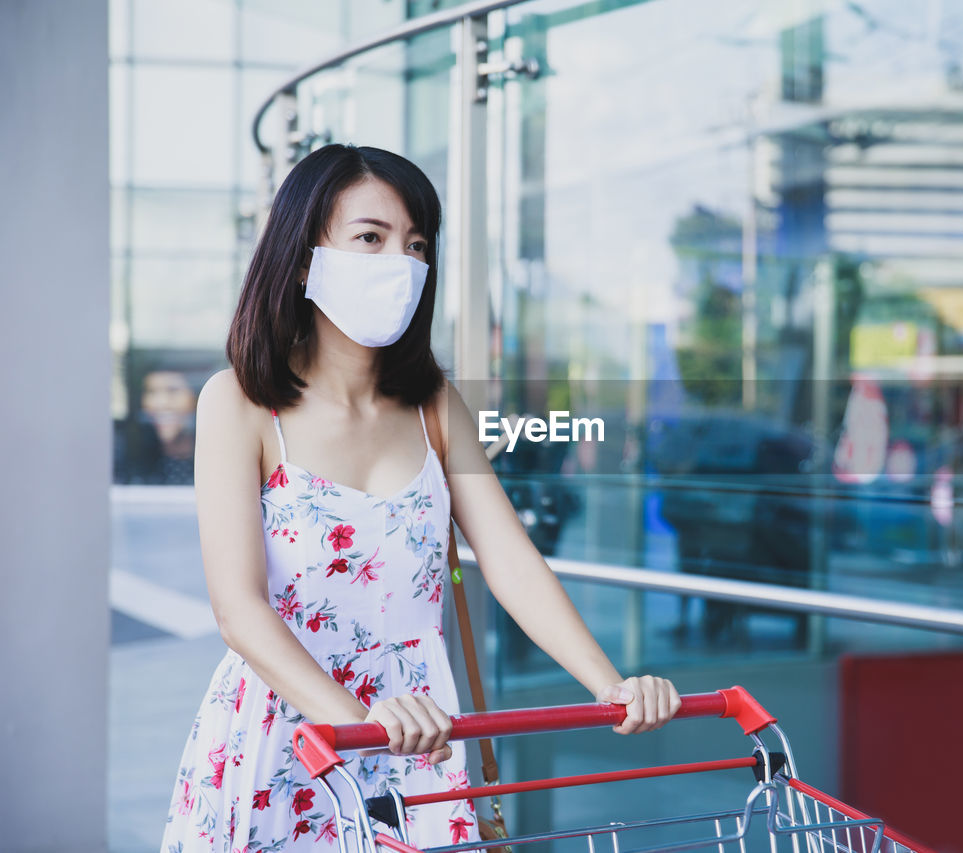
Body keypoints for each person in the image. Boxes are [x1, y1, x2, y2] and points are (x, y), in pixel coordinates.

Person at [160, 144, 680, 852]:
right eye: (369, 238)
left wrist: (609, 683)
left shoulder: (434, 405)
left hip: (422, 739)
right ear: (304, 255)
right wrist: (361, 728)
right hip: (288, 735)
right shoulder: (242, 403)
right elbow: (238, 609)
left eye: (414, 245)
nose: (398, 263)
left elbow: (509, 559)